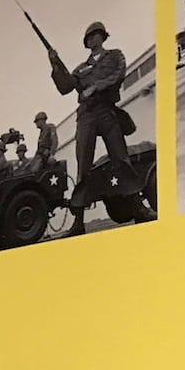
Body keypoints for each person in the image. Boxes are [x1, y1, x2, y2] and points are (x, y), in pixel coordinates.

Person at [57, 21, 154, 235]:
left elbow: (119, 74)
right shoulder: (81, 68)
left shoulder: (115, 56)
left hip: (107, 111)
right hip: (87, 116)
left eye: (95, 35)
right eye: (88, 38)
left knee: (122, 160)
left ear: (103, 37)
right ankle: (78, 223)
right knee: (83, 165)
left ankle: (139, 209)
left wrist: (95, 87)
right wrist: (55, 64)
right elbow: (65, 87)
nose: (91, 40)